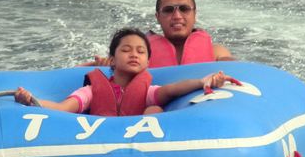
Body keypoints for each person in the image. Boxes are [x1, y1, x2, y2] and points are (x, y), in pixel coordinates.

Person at [15, 28, 231, 116]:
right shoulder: (92, 91)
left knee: (154, 109)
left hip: (141, 146)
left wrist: (202, 81)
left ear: (148, 62)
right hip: (97, 144)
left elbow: (172, 89)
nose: (133, 55)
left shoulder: (148, 92)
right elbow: (63, 108)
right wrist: (32, 101)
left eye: (140, 51)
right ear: (113, 59)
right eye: (126, 50)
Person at [91, 0, 235, 68]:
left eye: (184, 9)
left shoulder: (217, 53)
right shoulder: (140, 55)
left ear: (194, 15)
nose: (177, 16)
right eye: (168, 10)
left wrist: (233, 65)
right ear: (158, 18)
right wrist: (106, 67)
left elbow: (238, 71)